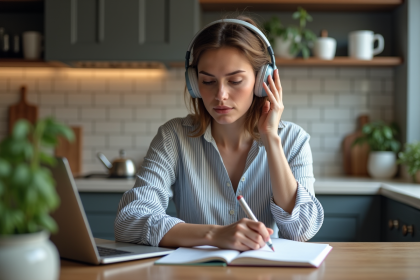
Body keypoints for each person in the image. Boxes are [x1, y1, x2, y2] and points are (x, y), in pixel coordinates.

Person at [114, 15, 324, 251]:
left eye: (235, 80)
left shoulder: (292, 140)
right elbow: (129, 221)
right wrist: (214, 234)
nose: (220, 95)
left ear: (262, 81)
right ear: (194, 83)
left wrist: (272, 140)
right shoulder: (173, 137)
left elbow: (302, 230)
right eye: (208, 81)